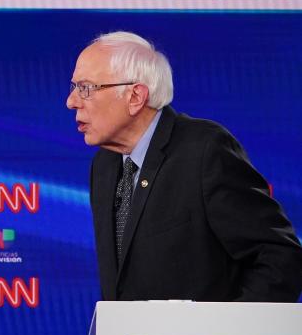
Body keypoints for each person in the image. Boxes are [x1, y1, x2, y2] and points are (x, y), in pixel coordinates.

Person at [65, 31, 302, 302]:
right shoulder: (104, 164)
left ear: (135, 97)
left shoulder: (204, 151)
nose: (71, 101)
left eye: (85, 88)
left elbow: (280, 257)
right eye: (73, 87)